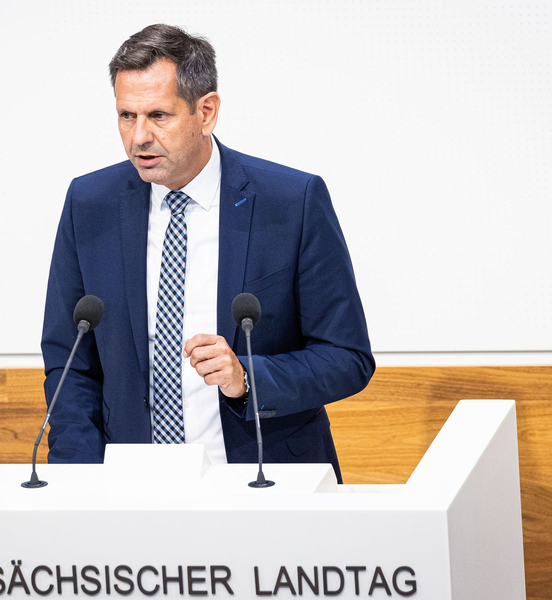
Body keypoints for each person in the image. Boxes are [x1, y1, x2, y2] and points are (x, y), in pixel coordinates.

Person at [41, 24, 374, 482]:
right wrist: (76, 481)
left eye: (158, 115)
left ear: (206, 112)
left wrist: (246, 378)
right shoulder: (89, 203)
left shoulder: (290, 202)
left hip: (266, 480)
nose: (138, 136)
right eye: (126, 116)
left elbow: (346, 356)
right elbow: (69, 361)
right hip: (134, 487)